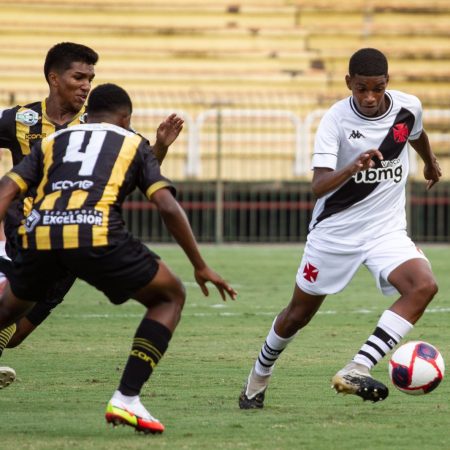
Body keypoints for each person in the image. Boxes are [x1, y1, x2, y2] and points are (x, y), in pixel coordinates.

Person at [0, 82, 237, 433]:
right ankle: (127, 398)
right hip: (95, 233)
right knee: (170, 296)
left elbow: (6, 190)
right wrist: (200, 265)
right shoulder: (131, 141)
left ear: (88, 114)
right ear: (125, 118)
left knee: (8, 316)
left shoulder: (52, 141)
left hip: (40, 234)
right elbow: (166, 205)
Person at [238, 48, 441, 408]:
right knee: (297, 315)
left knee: (423, 286)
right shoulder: (335, 120)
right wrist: (352, 167)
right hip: (335, 233)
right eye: (361, 88)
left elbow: (416, 133)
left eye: (377, 88)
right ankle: (258, 377)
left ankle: (357, 367)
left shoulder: (408, 107)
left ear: (387, 82)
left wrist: (429, 162)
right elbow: (318, 186)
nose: (369, 97)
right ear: (349, 82)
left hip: (385, 231)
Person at [0, 42, 184, 388]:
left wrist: (160, 146)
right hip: (23, 236)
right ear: (54, 78)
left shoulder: (102, 123)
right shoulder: (21, 119)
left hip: (73, 239)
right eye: (79, 77)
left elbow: (141, 167)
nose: (86, 85)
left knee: (15, 334)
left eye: (90, 79)